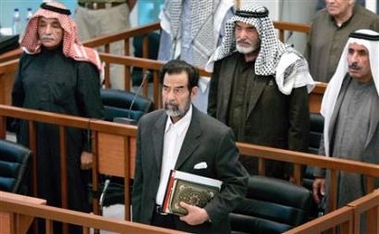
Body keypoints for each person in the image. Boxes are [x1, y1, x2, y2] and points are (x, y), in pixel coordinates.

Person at [11, 2, 104, 233]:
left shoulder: (81, 63)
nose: (47, 31)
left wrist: (89, 148)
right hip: (31, 142)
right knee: (33, 196)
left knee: (67, 200)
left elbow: (94, 111)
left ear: (66, 30)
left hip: (68, 147)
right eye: (42, 25)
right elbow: (17, 98)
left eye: (55, 26)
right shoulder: (28, 58)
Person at [132, 59, 248, 233]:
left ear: (193, 92)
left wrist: (207, 213)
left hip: (195, 226)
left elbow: (237, 184)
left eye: (178, 90)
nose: (170, 97)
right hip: (152, 222)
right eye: (166, 88)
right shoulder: (147, 124)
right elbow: (140, 182)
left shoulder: (217, 135)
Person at [206, 5, 315, 179]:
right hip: (226, 159)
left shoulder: (288, 64)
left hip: (269, 165)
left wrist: (294, 170)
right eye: (239, 28)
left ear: (263, 31)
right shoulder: (224, 60)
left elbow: (298, 125)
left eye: (250, 29)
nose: (242, 35)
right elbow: (212, 110)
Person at [312, 29, 379, 232]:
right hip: (336, 178)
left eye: (361, 53)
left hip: (370, 185)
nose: (353, 59)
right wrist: (320, 171)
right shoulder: (340, 85)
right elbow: (327, 129)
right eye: (350, 52)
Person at [158, 0, 235, 113]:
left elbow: (229, 47)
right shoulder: (173, 2)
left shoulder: (221, 6)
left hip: (207, 77)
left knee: (201, 119)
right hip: (177, 73)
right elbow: (166, 44)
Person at [306, 0, 379, 83]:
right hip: (318, 91)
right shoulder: (319, 19)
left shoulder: (370, 22)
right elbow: (308, 56)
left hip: (353, 93)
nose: (331, 1)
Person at [75, 0, 137, 89]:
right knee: (82, 63)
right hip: (82, 11)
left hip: (112, 10)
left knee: (118, 68)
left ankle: (124, 101)